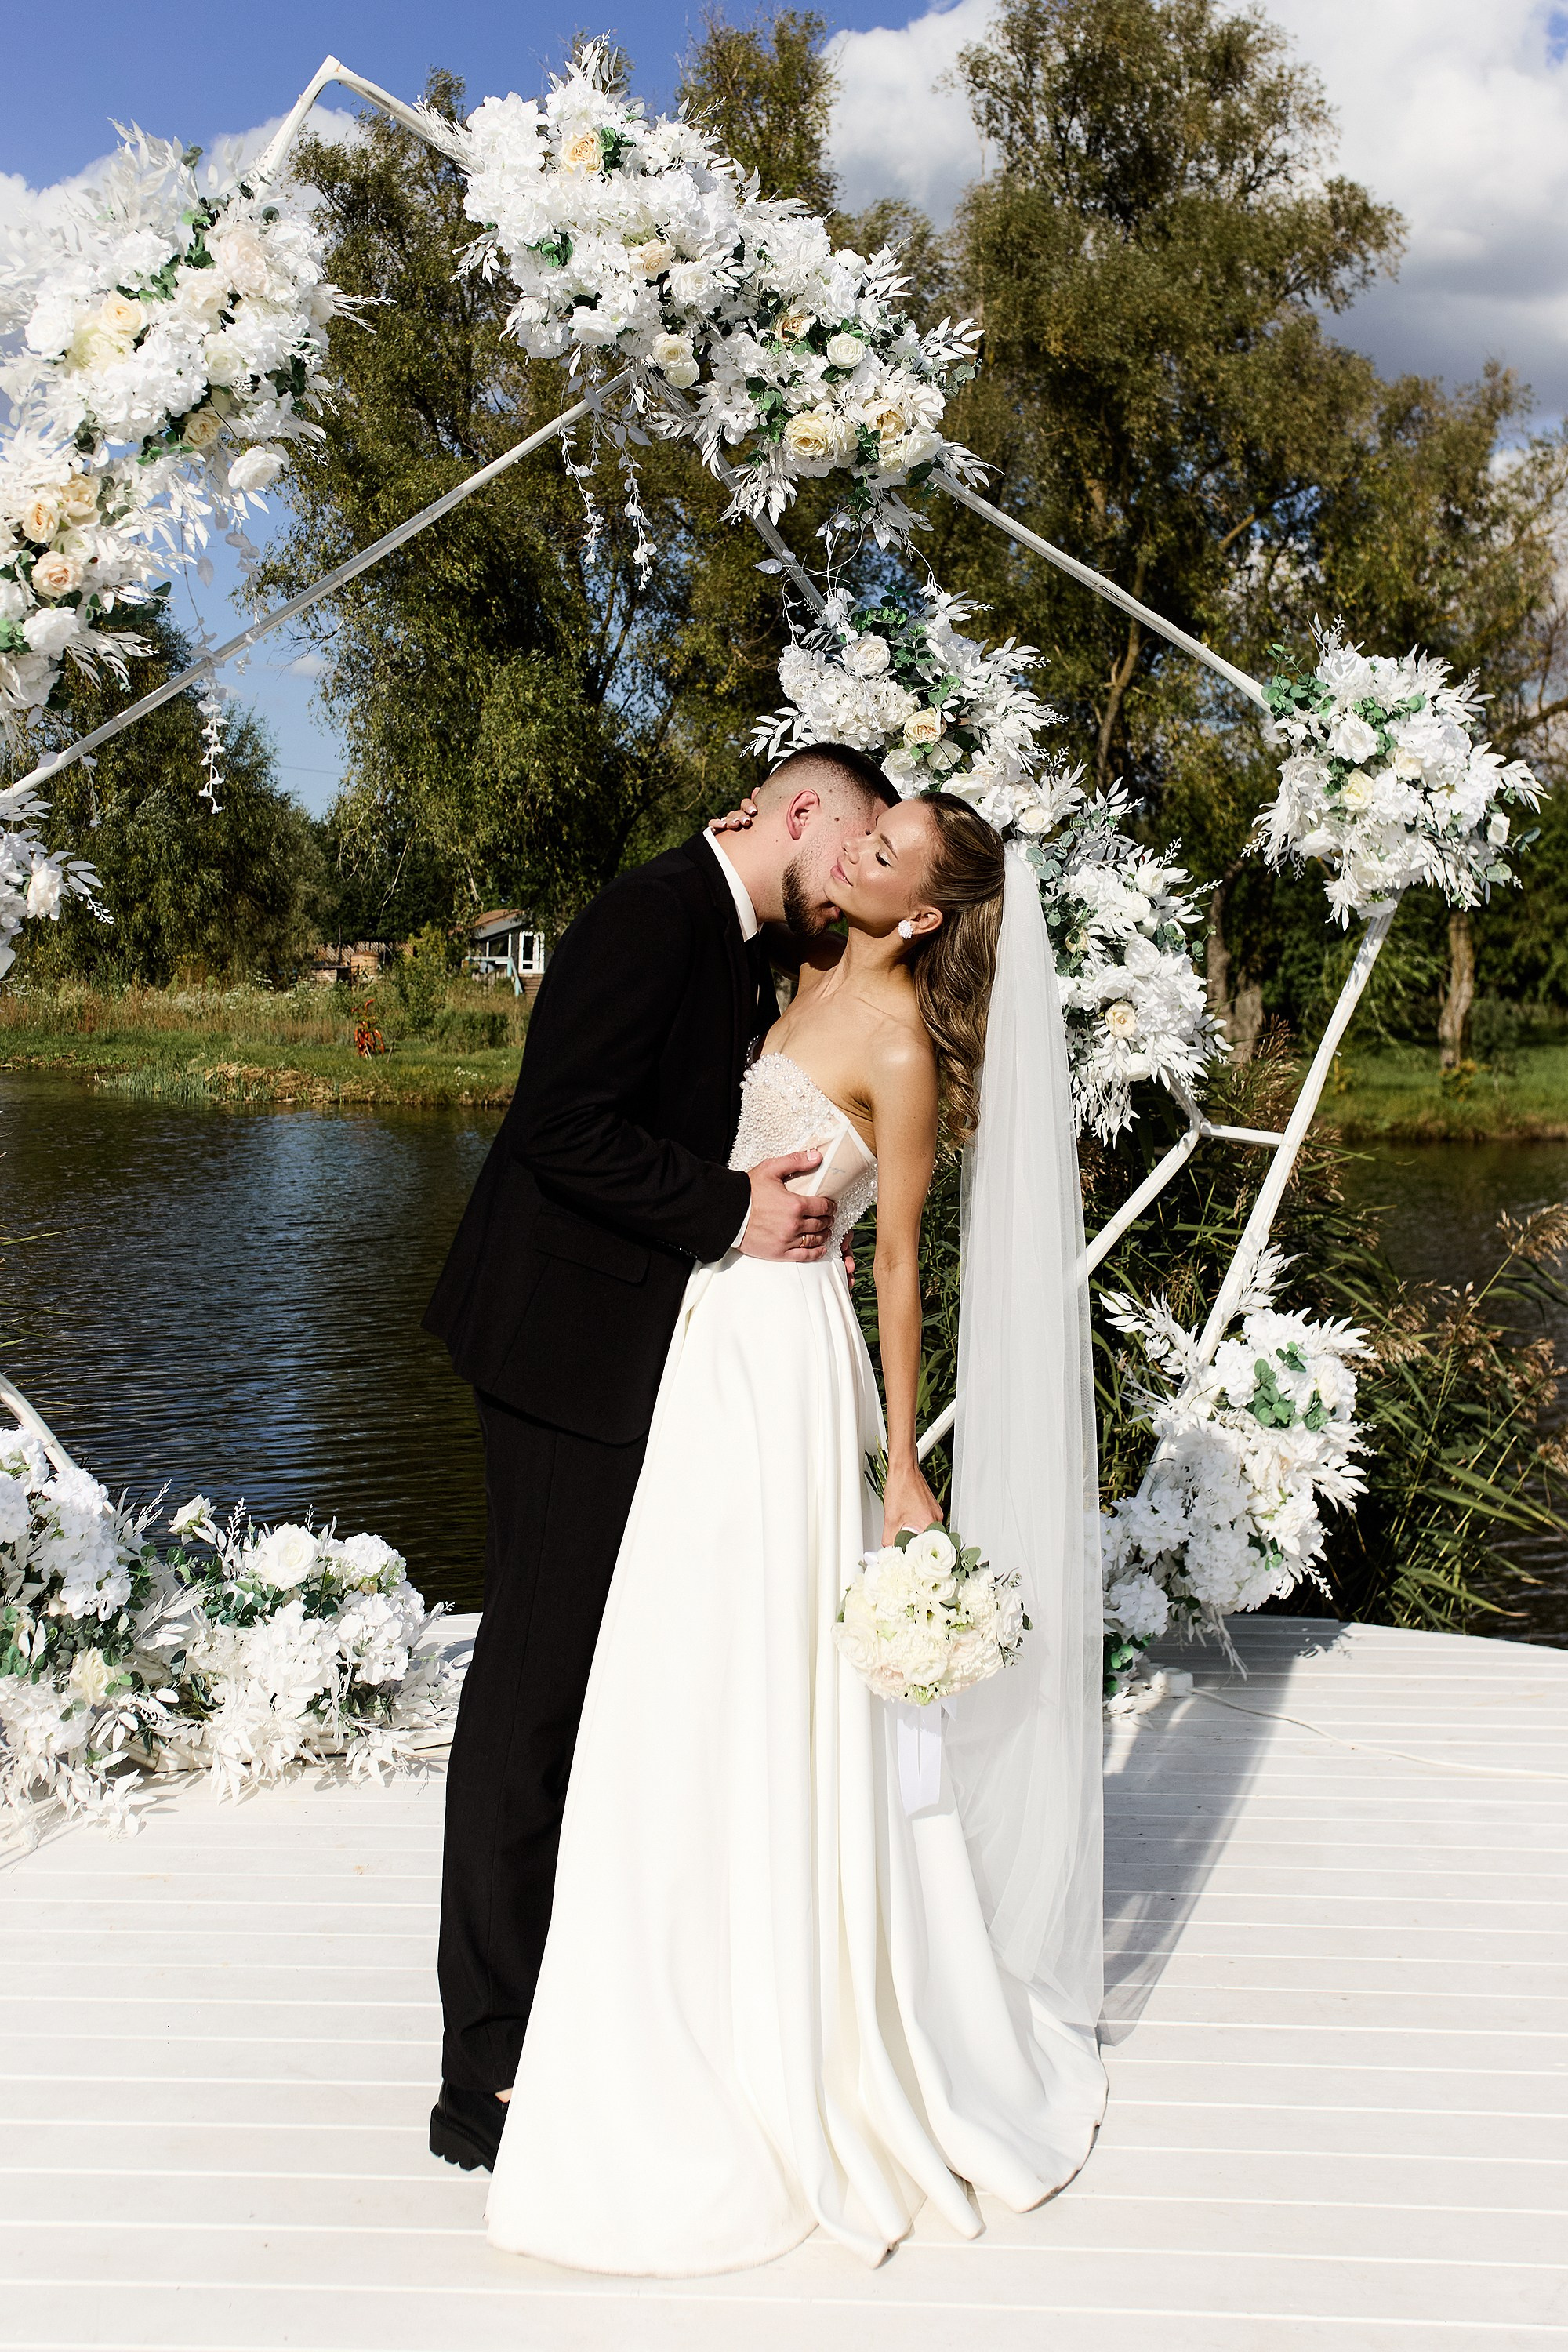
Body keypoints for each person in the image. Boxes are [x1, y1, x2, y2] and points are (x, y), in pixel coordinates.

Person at [483, 789, 1106, 2273]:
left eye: (887, 853)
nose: (857, 855)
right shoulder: (803, 969)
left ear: (927, 911)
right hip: (707, 1339)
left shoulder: (900, 1052)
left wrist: (905, 1465)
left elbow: (898, 1268)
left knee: (766, 1663)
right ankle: (643, 1985)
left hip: (790, 1365)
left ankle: (789, 2010)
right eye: (863, 836)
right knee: (672, 1655)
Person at [423, 743, 900, 2173]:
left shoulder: (740, 939)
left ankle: (578, 1999)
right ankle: (483, 2075)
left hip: (639, 1358)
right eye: (851, 851)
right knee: (530, 1697)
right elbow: (557, 1127)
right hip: (558, 1352)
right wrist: (727, 1211)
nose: (849, 889)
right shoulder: (649, 914)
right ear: (801, 814)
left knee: (592, 1687)